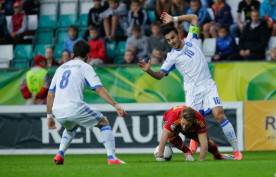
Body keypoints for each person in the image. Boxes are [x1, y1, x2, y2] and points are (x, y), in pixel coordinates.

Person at [138, 12, 243, 160]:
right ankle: (193, 146)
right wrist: (149, 71)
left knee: (219, 114)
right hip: (192, 91)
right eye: (168, 40)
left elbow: (194, 17)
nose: (172, 42)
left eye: (173, 37)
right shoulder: (171, 57)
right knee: (191, 122)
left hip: (208, 85)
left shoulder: (191, 39)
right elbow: (160, 75)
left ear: (179, 34)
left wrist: (174, 18)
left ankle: (237, 151)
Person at [47, 40, 127, 165]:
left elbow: (50, 94)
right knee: (104, 122)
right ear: (87, 56)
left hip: (57, 111)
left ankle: (60, 154)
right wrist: (115, 105)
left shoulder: (60, 68)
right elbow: (98, 89)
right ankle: (112, 158)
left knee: (71, 127)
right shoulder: (85, 66)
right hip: (74, 107)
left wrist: (49, 116)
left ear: (74, 53)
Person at [155, 105, 234, 161]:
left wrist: (200, 160)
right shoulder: (173, 118)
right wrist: (160, 155)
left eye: (187, 125)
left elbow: (204, 144)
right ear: (181, 118)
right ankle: (187, 151)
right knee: (170, 136)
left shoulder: (199, 120)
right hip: (169, 118)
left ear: (193, 121)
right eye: (183, 124)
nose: (184, 127)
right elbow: (164, 134)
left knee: (208, 143)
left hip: (191, 127)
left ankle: (218, 156)